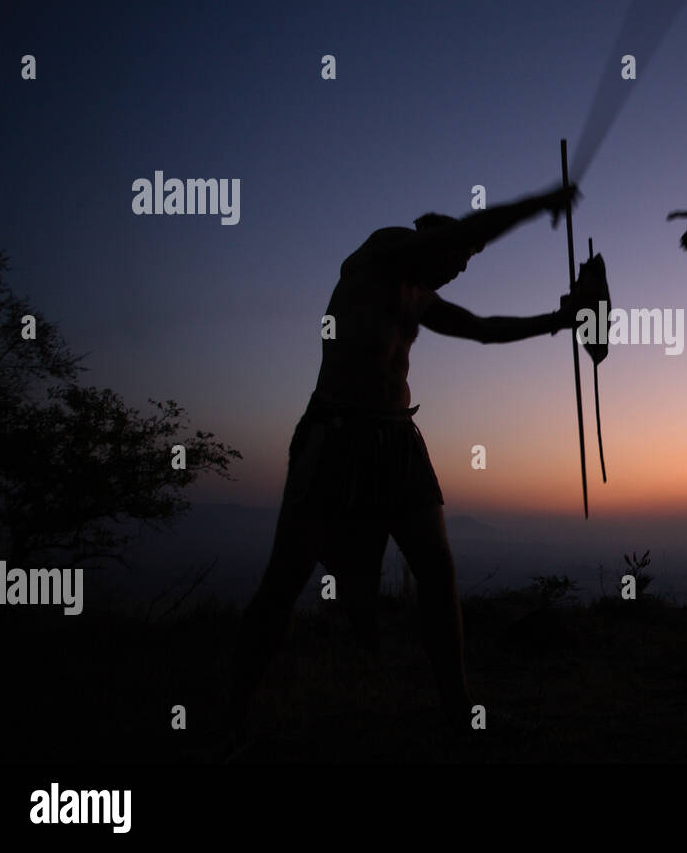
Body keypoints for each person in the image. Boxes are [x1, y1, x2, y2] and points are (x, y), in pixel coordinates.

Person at [227, 183, 594, 738]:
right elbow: (466, 233)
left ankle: (457, 707)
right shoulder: (382, 251)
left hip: (398, 439)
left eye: (466, 264)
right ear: (432, 240)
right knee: (285, 579)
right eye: (458, 259)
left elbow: (484, 330)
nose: (460, 270)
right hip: (337, 433)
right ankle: (229, 714)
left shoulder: (418, 295)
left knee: (437, 571)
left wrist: (558, 320)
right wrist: (540, 203)